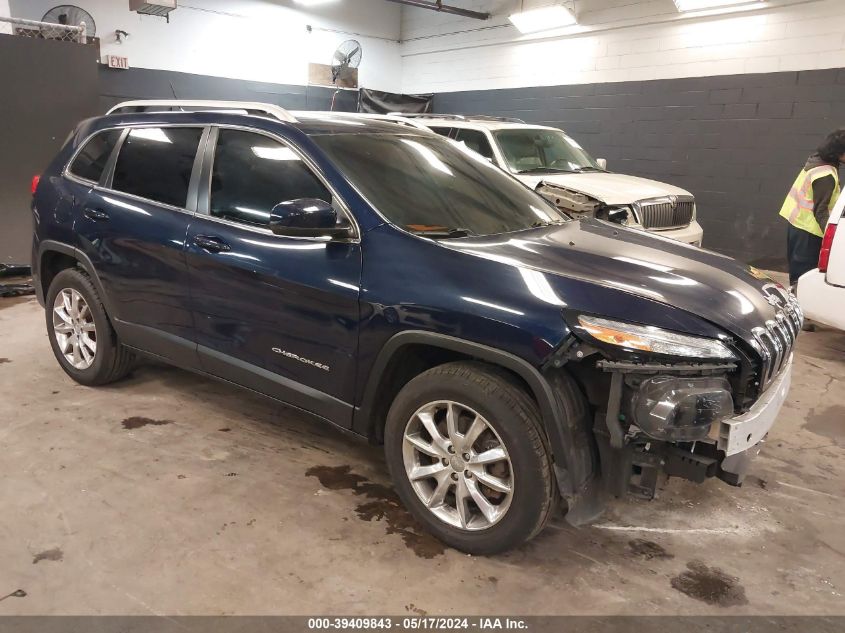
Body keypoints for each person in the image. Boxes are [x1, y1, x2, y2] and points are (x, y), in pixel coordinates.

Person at [780, 129, 845, 288]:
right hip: (809, 233)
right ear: (839, 152)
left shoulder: (817, 161)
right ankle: (797, 308)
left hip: (797, 226)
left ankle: (795, 301)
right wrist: (834, 239)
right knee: (803, 278)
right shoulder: (825, 175)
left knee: (797, 273)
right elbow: (820, 211)